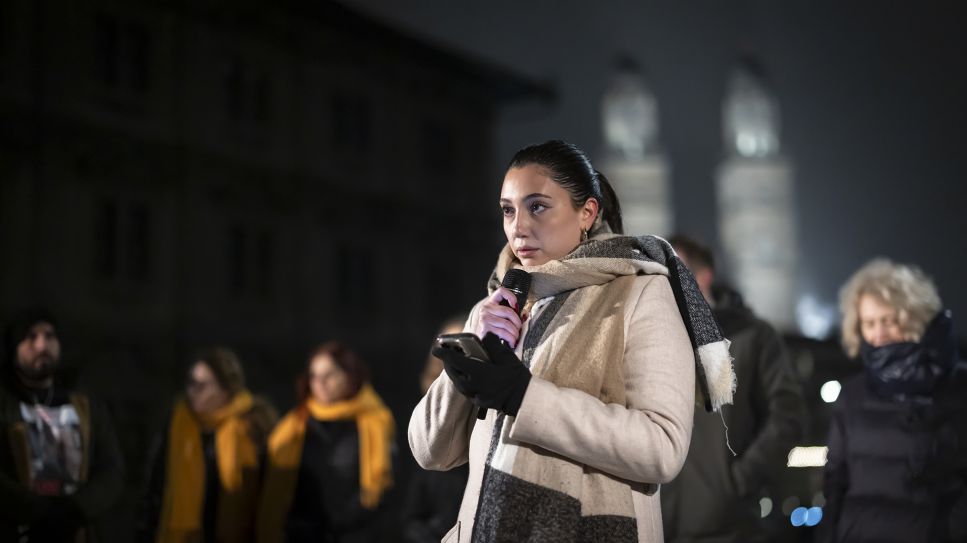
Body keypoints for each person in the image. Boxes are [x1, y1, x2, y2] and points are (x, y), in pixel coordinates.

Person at [408, 140, 735, 543]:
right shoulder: (495, 307)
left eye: (538, 206)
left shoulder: (639, 295)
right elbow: (430, 451)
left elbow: (662, 449)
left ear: (587, 212)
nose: (518, 227)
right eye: (508, 210)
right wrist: (472, 349)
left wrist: (525, 398)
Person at [660, 235, 804, 542]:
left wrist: (739, 481)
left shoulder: (753, 336)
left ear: (703, 277)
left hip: (730, 526)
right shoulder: (652, 341)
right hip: (660, 525)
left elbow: (787, 417)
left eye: (675, 272)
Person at [819, 258, 967, 543]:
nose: (878, 332)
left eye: (888, 320)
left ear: (914, 315)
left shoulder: (956, 386)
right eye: (869, 323)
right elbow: (835, 480)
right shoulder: (852, 395)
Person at [0, 307, 124, 542]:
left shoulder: (85, 404)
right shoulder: (5, 403)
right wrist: (40, 513)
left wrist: (76, 510)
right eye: (30, 337)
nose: (41, 345)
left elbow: (111, 470)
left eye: (49, 336)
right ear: (13, 347)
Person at [256, 342, 395, 543]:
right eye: (314, 376)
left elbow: (384, 490)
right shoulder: (295, 424)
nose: (320, 383)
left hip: (355, 535)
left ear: (350, 376)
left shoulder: (375, 421)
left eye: (330, 374)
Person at [139, 346, 277, 543]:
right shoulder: (176, 424)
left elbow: (266, 497)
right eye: (191, 383)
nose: (193, 391)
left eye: (203, 385)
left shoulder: (253, 427)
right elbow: (154, 487)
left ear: (226, 389)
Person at [402, 316, 470, 543]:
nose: (453, 352)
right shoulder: (424, 401)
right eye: (447, 344)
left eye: (461, 344)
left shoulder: (487, 404)